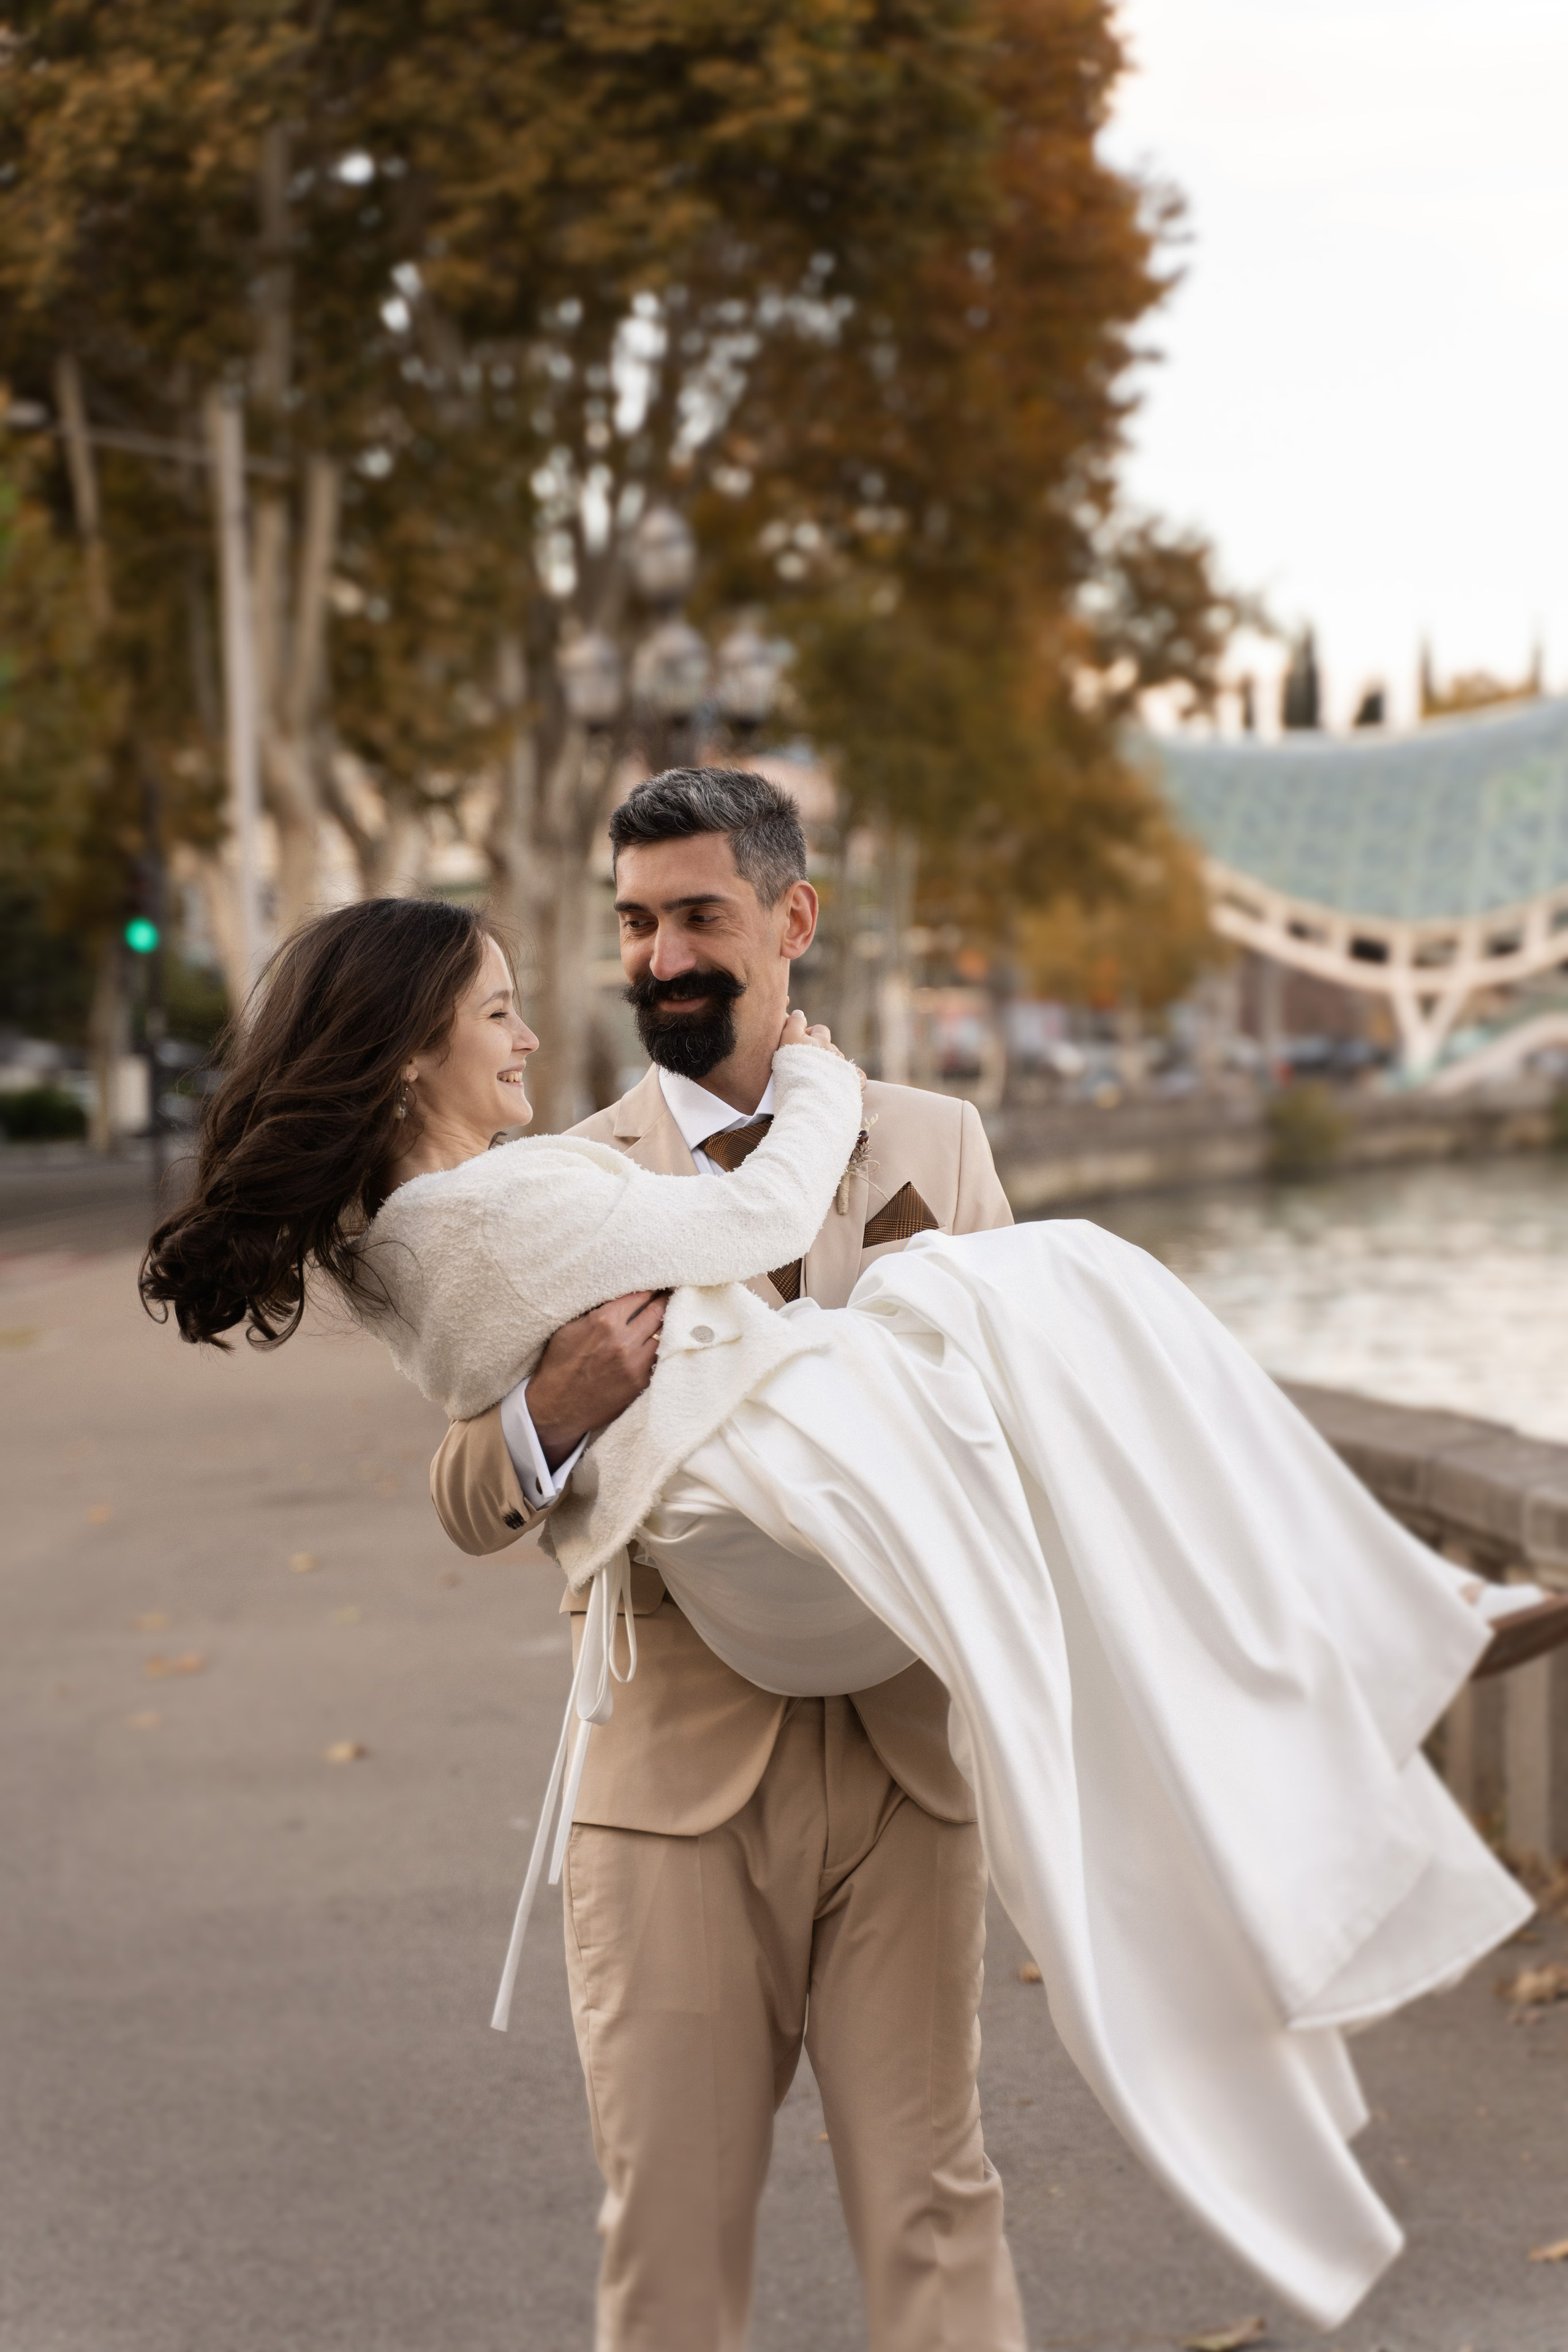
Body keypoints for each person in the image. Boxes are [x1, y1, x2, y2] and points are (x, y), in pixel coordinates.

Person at [141, 774, 1567, 2349]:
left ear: (789, 922)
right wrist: (551, 1414)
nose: (659, 956)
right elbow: (465, 1491)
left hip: (903, 1763)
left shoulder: (936, 1138)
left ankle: (1356, 1621)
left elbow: (1046, 1415)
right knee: (674, 2234)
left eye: (697, 917)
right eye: (633, 924)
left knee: (934, 2206)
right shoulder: (546, 1167)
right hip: (673, 1777)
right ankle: (1369, 1615)